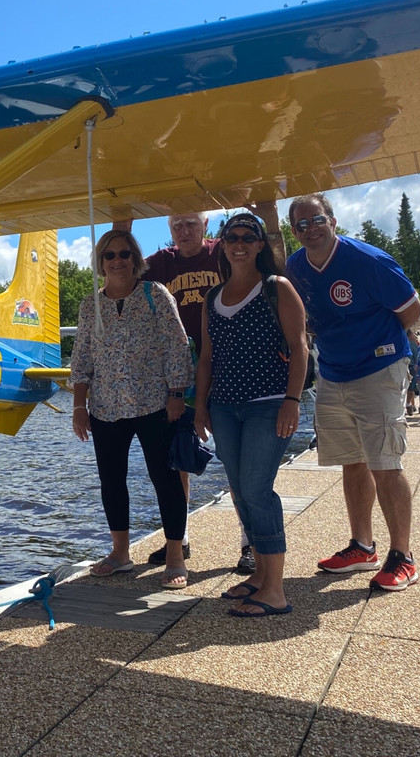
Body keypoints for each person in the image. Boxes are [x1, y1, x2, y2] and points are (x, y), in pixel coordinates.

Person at [117, 203, 287, 574]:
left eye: (191, 223)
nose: (185, 230)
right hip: (178, 370)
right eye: (178, 225)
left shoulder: (224, 250)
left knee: (238, 461)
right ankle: (180, 537)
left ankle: (249, 542)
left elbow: (275, 266)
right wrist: (122, 223)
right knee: (177, 453)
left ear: (205, 225)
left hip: (229, 365)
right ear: (170, 229)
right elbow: (121, 270)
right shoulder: (161, 262)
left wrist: (270, 219)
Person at [286, 193, 420, 592]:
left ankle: (403, 557)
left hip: (379, 369)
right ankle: (362, 546)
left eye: (317, 221)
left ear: (333, 219)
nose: (310, 230)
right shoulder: (296, 266)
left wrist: (376, 343)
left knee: (385, 462)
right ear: (294, 231)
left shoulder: (367, 260)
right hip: (332, 372)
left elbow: (411, 310)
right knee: (353, 461)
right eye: (301, 225)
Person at [194, 213, 308, 616]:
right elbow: (206, 358)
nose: (238, 243)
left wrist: (292, 402)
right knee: (240, 492)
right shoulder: (213, 298)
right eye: (231, 237)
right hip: (225, 407)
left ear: (261, 245)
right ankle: (260, 576)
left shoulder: (276, 288)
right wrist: (200, 407)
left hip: (269, 403)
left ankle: (275, 591)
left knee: (258, 489)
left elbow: (299, 347)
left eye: (247, 237)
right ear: (222, 244)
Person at [68, 229, 194, 588]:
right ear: (100, 262)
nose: (117, 260)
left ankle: (173, 553)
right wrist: (79, 405)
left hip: (154, 402)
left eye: (124, 253)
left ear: (135, 258)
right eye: (109, 255)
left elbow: (176, 346)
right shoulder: (90, 305)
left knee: (164, 478)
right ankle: (120, 553)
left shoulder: (155, 295)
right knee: (112, 480)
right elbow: (82, 359)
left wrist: (176, 393)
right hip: (106, 407)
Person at [405, 329, 420, 416]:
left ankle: (408, 404)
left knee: (408, 388)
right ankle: (408, 403)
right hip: (410, 367)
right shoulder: (412, 344)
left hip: (407, 366)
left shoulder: (410, 344)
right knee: (411, 388)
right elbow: (416, 356)